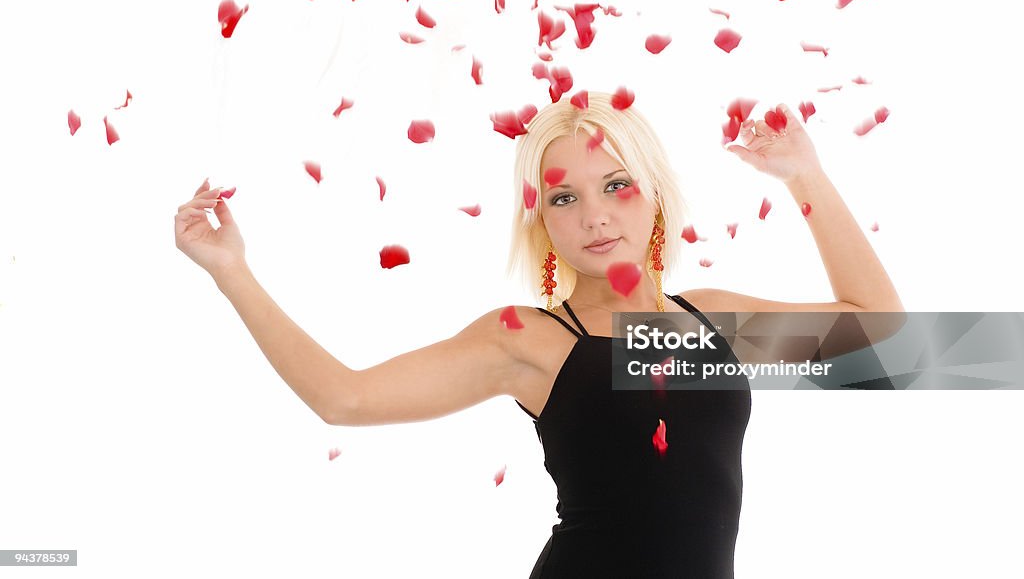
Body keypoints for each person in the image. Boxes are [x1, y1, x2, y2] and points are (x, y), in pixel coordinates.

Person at [174, 92, 903, 577]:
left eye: (616, 184)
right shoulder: (531, 341)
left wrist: (805, 174)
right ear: (543, 221)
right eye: (565, 196)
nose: (595, 215)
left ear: (652, 191)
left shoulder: (707, 322)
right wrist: (230, 271)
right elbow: (347, 398)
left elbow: (883, 338)